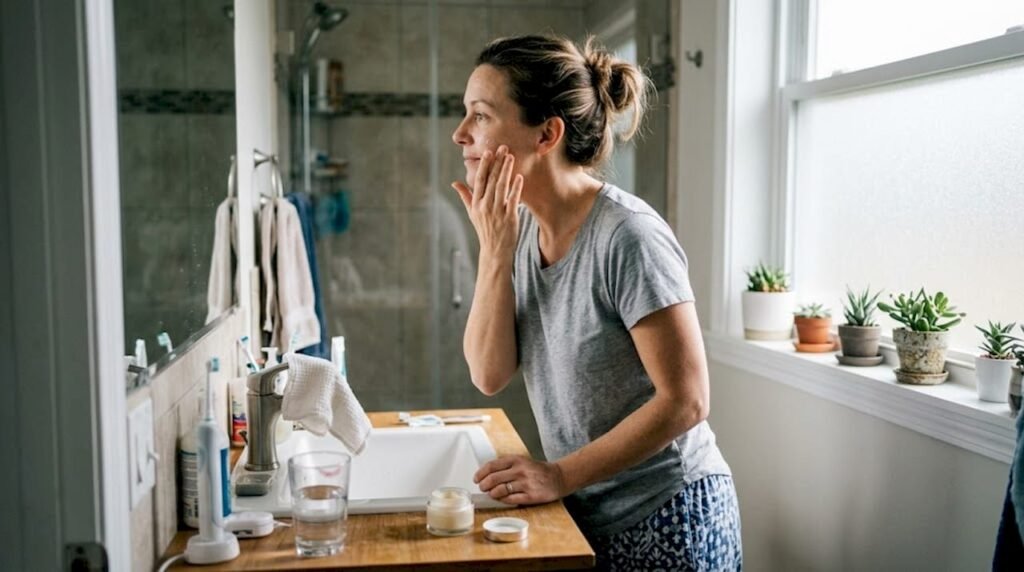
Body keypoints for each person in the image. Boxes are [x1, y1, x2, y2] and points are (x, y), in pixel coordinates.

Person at [450, 34, 742, 571]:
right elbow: (488, 374)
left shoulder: (627, 236)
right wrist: (494, 252)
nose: (460, 133)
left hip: (669, 516)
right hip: (591, 511)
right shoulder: (519, 231)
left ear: (547, 133)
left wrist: (559, 474)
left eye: (481, 116)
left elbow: (688, 400)